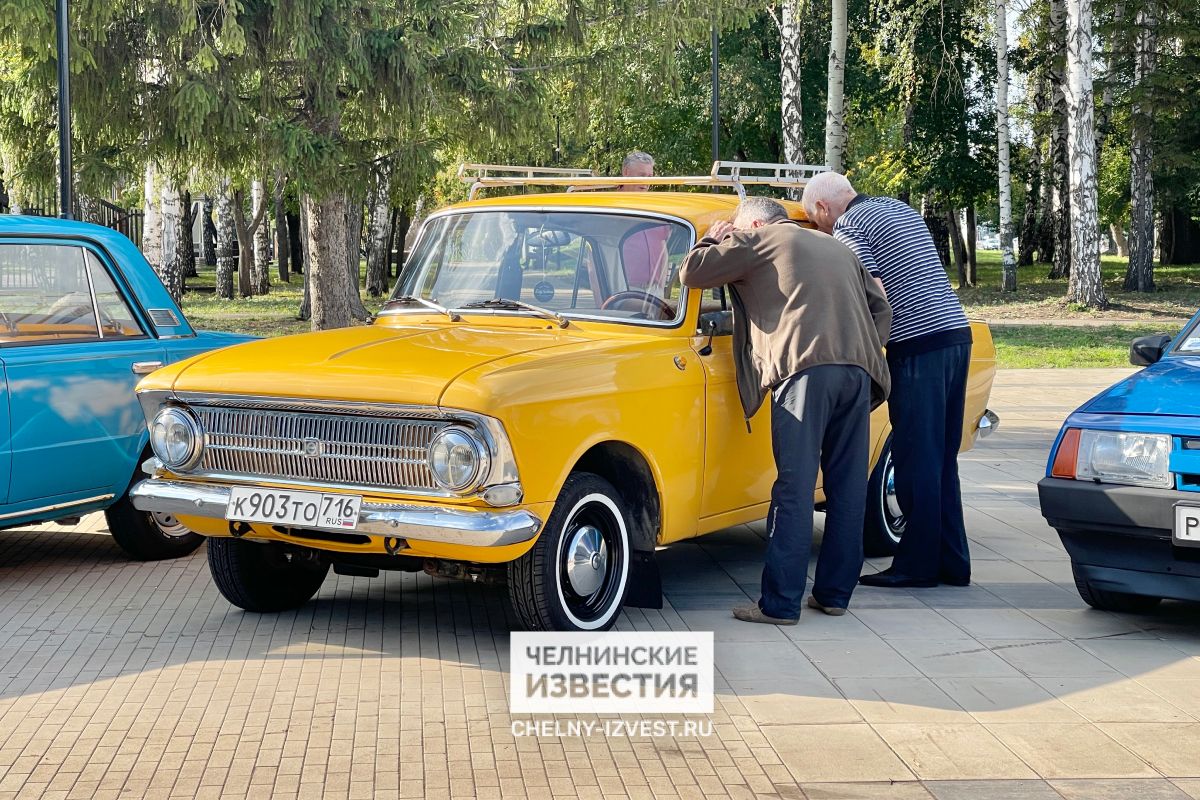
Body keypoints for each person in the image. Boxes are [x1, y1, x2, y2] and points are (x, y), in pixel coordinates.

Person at [679, 197, 892, 624]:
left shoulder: (760, 240)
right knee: (847, 487)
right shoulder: (835, 246)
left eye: (740, 227)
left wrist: (712, 238)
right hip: (858, 373)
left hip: (804, 373)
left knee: (793, 489)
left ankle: (779, 604)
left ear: (755, 222)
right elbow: (881, 306)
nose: (737, 234)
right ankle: (833, 594)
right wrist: (854, 345)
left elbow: (693, 273)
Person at [802, 171, 974, 589]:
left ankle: (916, 566)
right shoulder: (896, 207)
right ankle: (952, 562)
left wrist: (864, 348)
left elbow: (872, 288)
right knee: (940, 458)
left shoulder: (849, 225)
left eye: (815, 221)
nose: (822, 229)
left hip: (917, 343)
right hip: (955, 333)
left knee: (915, 458)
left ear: (824, 208)